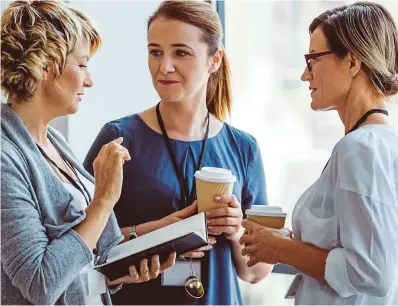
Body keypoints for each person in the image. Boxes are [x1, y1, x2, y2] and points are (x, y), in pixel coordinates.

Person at [83, 1, 273, 304]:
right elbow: (79, 244)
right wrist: (154, 233)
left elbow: (256, 272)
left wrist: (236, 230)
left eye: (180, 53)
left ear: (214, 60)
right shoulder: (118, 139)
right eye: (155, 51)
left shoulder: (244, 148)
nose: (164, 66)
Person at [1, 1, 175, 305]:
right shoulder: (5, 157)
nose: (90, 80)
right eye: (82, 64)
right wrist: (103, 200)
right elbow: (41, 283)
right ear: (45, 64)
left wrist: (123, 270)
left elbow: (85, 262)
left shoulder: (53, 143)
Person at [240, 2, 398, 305]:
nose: (304, 75)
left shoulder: (359, 149)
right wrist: (287, 242)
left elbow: (372, 271)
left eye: (312, 60)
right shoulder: (383, 144)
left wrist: (281, 249)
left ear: (352, 63)